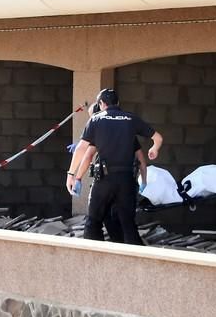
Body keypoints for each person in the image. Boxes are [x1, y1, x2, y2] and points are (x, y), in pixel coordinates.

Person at [65, 88, 163, 245]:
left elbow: (83, 151)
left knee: (94, 221)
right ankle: (136, 261)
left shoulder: (96, 120)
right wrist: (154, 149)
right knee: (128, 224)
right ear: (118, 103)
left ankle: (93, 258)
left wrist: (73, 176)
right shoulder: (131, 119)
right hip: (127, 181)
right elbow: (157, 138)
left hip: (104, 180)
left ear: (102, 104)